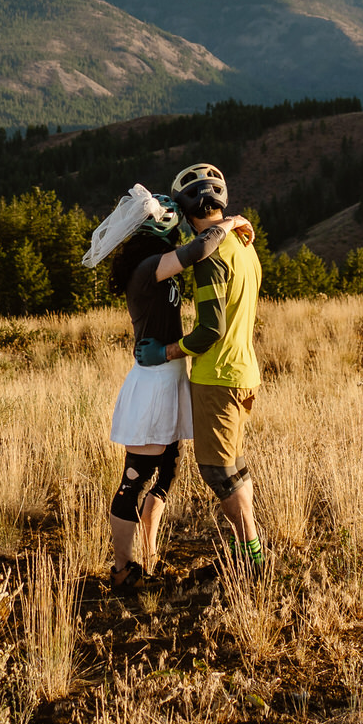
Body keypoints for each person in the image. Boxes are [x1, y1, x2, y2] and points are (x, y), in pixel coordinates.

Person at [80, 183, 244, 591]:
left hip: (170, 379)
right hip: (153, 383)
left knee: (166, 474)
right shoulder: (149, 267)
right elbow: (197, 251)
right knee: (135, 478)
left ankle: (149, 558)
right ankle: (122, 569)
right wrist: (232, 222)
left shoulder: (155, 262)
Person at [139, 161, 266, 572]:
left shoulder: (210, 259)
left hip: (218, 375)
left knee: (217, 470)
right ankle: (251, 548)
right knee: (234, 466)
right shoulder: (245, 246)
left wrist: (168, 351)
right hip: (245, 371)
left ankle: (252, 556)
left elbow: (211, 329)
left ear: (187, 208)